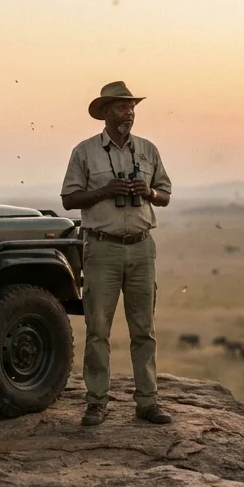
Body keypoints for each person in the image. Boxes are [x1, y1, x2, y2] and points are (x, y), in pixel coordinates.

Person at [61, 81, 173, 426]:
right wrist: (104, 191)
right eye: (122, 107)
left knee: (144, 330)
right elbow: (69, 199)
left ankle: (148, 402)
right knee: (98, 331)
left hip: (142, 247)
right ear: (106, 113)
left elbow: (166, 194)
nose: (129, 113)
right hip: (102, 248)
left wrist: (149, 192)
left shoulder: (148, 150)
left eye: (132, 107)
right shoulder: (85, 152)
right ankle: (96, 402)